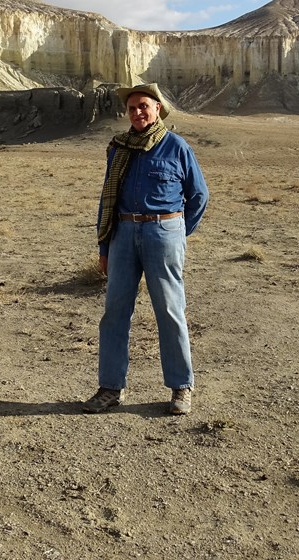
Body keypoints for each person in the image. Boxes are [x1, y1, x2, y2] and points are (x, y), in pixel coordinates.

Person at [82, 83, 209, 415]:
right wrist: (104, 245)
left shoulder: (177, 147)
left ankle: (181, 387)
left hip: (163, 233)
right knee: (114, 313)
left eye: (144, 106)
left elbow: (199, 197)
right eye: (132, 108)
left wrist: (177, 233)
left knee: (169, 311)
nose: (137, 112)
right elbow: (106, 200)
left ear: (158, 109)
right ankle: (110, 387)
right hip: (123, 233)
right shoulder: (119, 148)